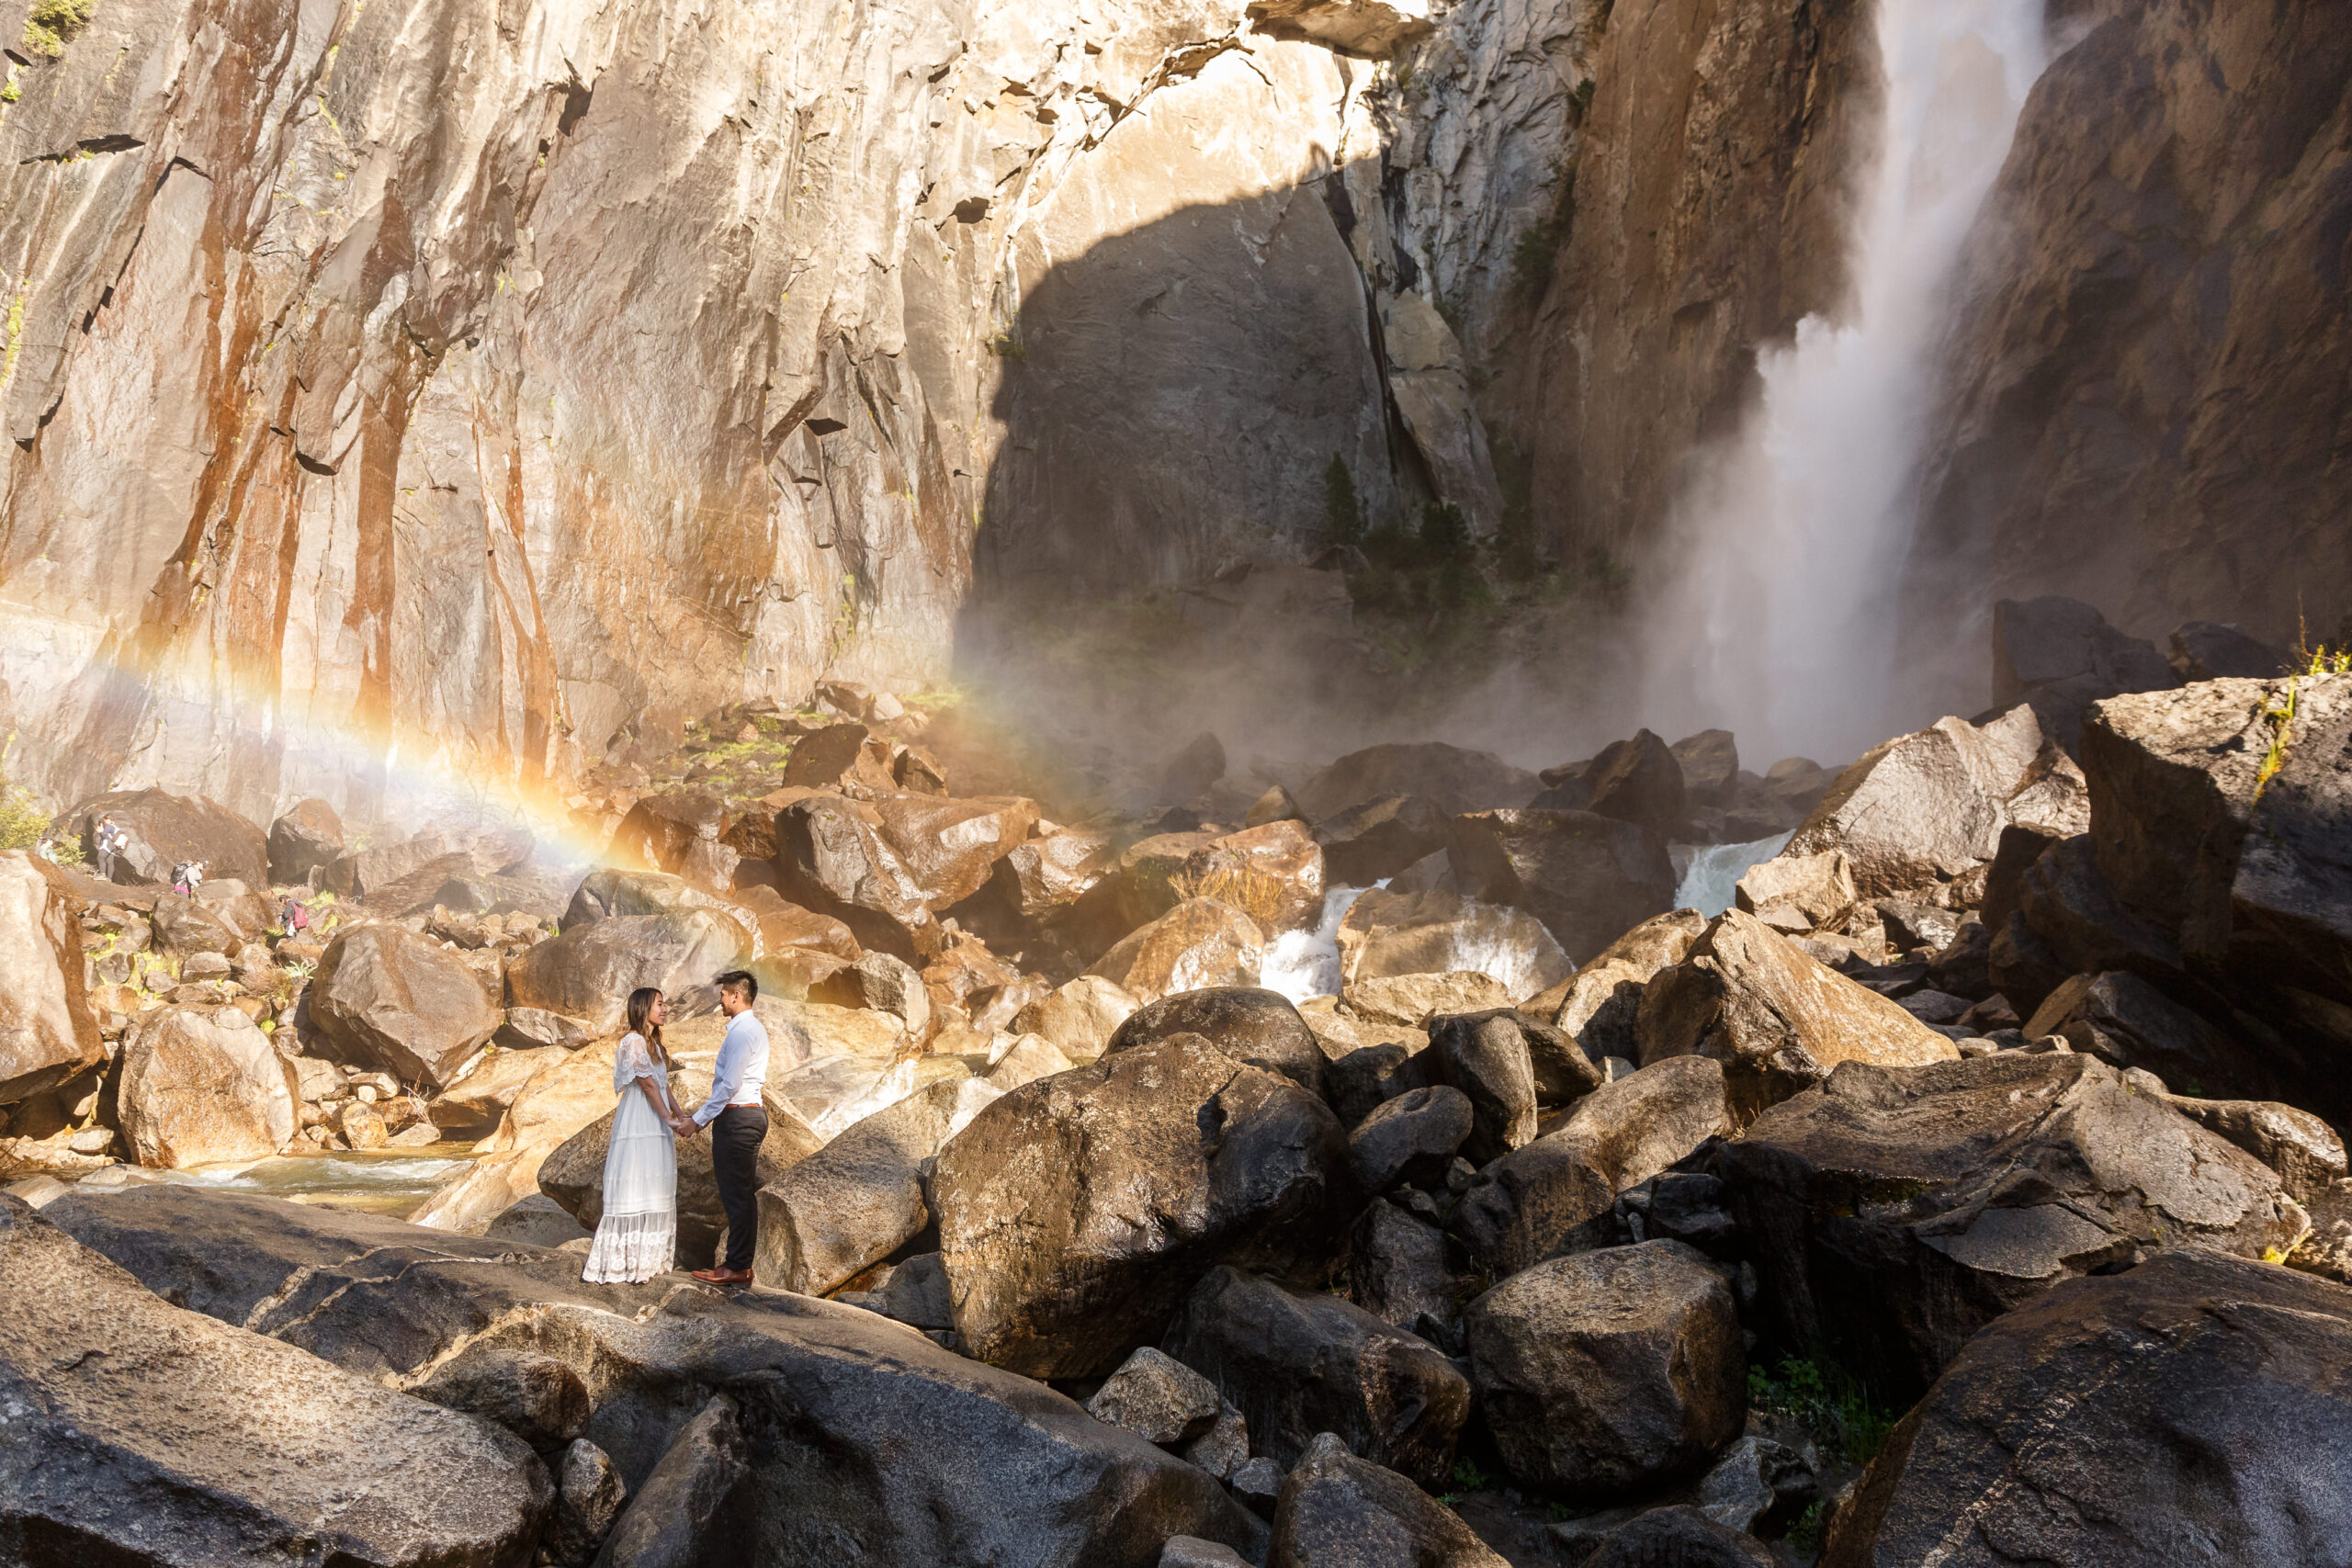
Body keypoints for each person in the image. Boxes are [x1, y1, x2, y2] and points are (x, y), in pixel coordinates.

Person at [581, 987, 693, 1284]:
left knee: (655, 1183)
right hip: (640, 1120)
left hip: (655, 1121)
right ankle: (627, 1263)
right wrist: (668, 1119)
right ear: (644, 1008)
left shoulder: (654, 1044)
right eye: (660, 1003)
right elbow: (646, 1086)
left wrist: (680, 1116)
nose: (665, 1008)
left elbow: (663, 1085)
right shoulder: (632, 1041)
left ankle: (649, 1261)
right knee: (637, 1181)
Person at [689, 970, 768, 1285]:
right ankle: (739, 1265)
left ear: (736, 995)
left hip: (738, 1118)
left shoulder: (741, 1033)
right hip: (744, 1116)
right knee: (740, 1194)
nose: (720, 999)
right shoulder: (749, 1029)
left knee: (737, 1195)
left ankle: (736, 1267)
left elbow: (728, 1086)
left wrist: (696, 1121)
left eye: (723, 994)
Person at [93, 818, 123, 882]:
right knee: (110, 862)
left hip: (107, 844)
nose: (105, 821)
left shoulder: (109, 826)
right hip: (114, 846)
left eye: (106, 820)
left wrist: (100, 832)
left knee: (100, 857)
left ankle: (102, 875)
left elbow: (104, 836)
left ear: (111, 820)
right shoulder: (116, 828)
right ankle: (109, 879)